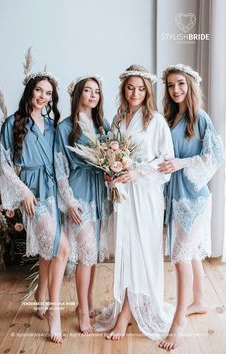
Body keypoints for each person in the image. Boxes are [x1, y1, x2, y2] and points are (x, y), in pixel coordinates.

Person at [94, 64, 175, 340]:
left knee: (140, 250)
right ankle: (125, 308)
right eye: (130, 88)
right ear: (123, 89)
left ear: (147, 91)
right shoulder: (117, 120)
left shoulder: (156, 121)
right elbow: (111, 154)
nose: (135, 93)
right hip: (123, 197)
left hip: (145, 195)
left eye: (141, 88)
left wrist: (137, 172)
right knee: (125, 250)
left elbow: (166, 162)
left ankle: (126, 315)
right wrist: (112, 173)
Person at [0, 72, 70, 343]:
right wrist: (23, 192)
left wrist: (68, 197)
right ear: (30, 91)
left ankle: (41, 294)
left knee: (49, 248)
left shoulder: (53, 126)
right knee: (61, 247)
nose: (43, 97)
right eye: (39, 90)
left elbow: (60, 163)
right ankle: (55, 313)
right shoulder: (13, 123)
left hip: (53, 191)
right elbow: (4, 163)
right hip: (32, 194)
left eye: (48, 93)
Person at [158, 64, 224, 351]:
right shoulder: (170, 118)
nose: (176, 90)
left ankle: (179, 323)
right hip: (175, 194)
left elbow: (215, 156)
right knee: (192, 252)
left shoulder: (201, 118)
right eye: (171, 85)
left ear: (190, 86)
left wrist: (180, 164)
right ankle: (199, 300)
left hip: (195, 196)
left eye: (181, 84)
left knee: (181, 257)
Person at [54, 75, 111, 334]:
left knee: (93, 255)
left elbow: (111, 157)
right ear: (78, 94)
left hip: (99, 193)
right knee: (85, 255)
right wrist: (69, 202)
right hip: (78, 195)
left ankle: (88, 304)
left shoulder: (103, 125)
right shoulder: (65, 127)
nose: (92, 95)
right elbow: (60, 168)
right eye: (87, 90)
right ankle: (80, 310)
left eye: (96, 91)